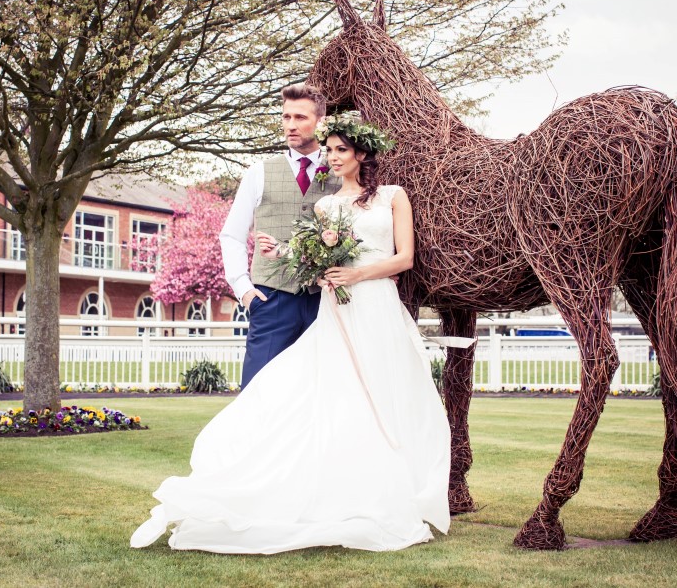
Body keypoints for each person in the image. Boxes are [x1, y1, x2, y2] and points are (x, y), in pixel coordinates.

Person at [130, 115, 452, 554]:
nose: (332, 157)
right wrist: (284, 252)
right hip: (339, 308)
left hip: (378, 302)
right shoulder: (326, 207)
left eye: (341, 150)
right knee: (339, 393)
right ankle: (342, 487)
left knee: (389, 390)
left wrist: (357, 274)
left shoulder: (394, 197)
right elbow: (317, 263)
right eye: (329, 150)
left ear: (361, 153)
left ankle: (397, 484)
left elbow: (405, 259)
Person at [219, 83, 339, 387]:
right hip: (270, 299)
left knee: (321, 392)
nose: (291, 125)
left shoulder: (340, 171)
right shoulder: (259, 172)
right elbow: (232, 235)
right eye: (286, 117)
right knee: (258, 391)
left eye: (300, 117)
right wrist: (245, 291)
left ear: (321, 122)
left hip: (325, 301)